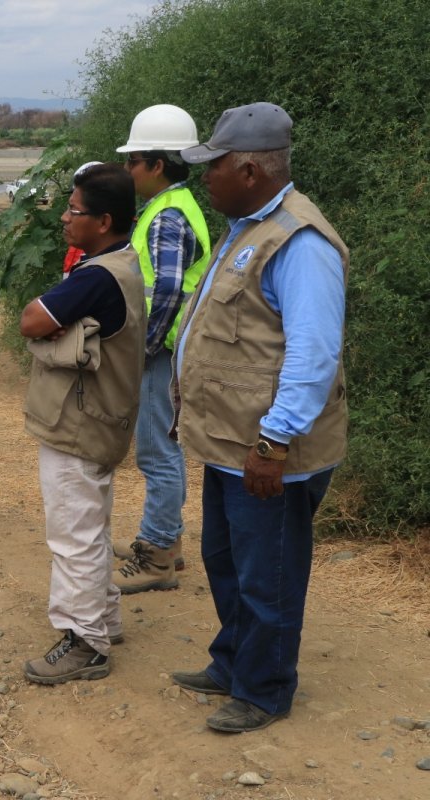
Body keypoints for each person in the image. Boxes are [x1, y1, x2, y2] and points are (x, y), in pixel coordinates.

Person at [170, 103, 348, 733]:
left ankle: (265, 689)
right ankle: (233, 663)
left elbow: (313, 353)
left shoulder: (299, 240)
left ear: (247, 169)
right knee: (225, 560)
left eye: (212, 166)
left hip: (269, 450)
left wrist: (273, 443)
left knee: (267, 574)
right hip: (228, 441)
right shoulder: (247, 226)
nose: (204, 178)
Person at [18, 163, 145, 684]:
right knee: (90, 527)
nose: (66, 219)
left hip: (80, 425)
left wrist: (49, 325)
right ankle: (105, 620)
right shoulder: (119, 263)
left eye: (75, 210)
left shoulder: (96, 277)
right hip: (99, 420)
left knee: (73, 533)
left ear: (104, 219)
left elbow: (31, 319)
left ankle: (86, 642)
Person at [111, 105, 211, 593]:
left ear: (156, 164)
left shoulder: (167, 215)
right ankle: (164, 541)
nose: (128, 171)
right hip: (170, 345)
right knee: (160, 447)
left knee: (157, 452)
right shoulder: (174, 206)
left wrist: (146, 346)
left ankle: (157, 554)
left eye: (134, 162)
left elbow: (167, 288)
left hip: (163, 349)